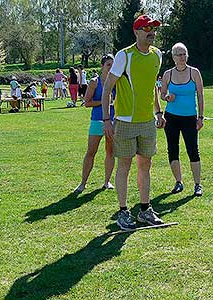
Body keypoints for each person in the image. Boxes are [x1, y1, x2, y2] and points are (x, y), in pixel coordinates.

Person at [101, 15, 165, 230]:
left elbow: (152, 87)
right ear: (136, 31)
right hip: (125, 122)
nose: (151, 32)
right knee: (125, 166)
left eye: (154, 28)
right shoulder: (124, 56)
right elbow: (108, 87)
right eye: (146, 28)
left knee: (146, 165)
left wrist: (158, 112)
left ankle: (145, 209)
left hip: (147, 121)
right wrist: (107, 119)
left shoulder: (157, 55)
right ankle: (123, 212)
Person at [160, 42, 204, 196]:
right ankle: (178, 182)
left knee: (193, 150)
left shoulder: (194, 73)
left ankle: (197, 184)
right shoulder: (168, 74)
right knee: (173, 149)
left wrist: (200, 117)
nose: (182, 57)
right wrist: (167, 97)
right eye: (179, 54)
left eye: (184, 53)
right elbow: (162, 93)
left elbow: (200, 95)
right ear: (173, 57)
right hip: (171, 117)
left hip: (190, 117)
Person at [74, 54, 116, 193]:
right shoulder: (94, 82)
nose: (111, 67)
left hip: (113, 121)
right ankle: (83, 183)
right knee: (91, 152)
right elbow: (87, 102)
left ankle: (107, 181)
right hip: (97, 121)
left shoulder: (116, 81)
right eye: (108, 65)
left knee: (110, 151)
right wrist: (105, 101)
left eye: (113, 65)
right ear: (102, 66)